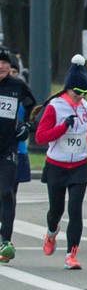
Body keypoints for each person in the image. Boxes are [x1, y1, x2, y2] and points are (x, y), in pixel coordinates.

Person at [34, 54, 87, 269]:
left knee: (75, 210)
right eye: (77, 92)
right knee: (56, 210)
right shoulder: (55, 106)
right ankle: (52, 232)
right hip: (56, 165)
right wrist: (63, 127)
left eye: (85, 93)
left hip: (79, 166)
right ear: (68, 89)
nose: (80, 97)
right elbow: (40, 137)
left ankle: (71, 255)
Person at [0, 47, 36, 263]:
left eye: (5, 62)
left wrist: (28, 127)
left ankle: (5, 240)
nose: (2, 66)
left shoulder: (17, 86)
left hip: (8, 147)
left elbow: (34, 108)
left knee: (6, 192)